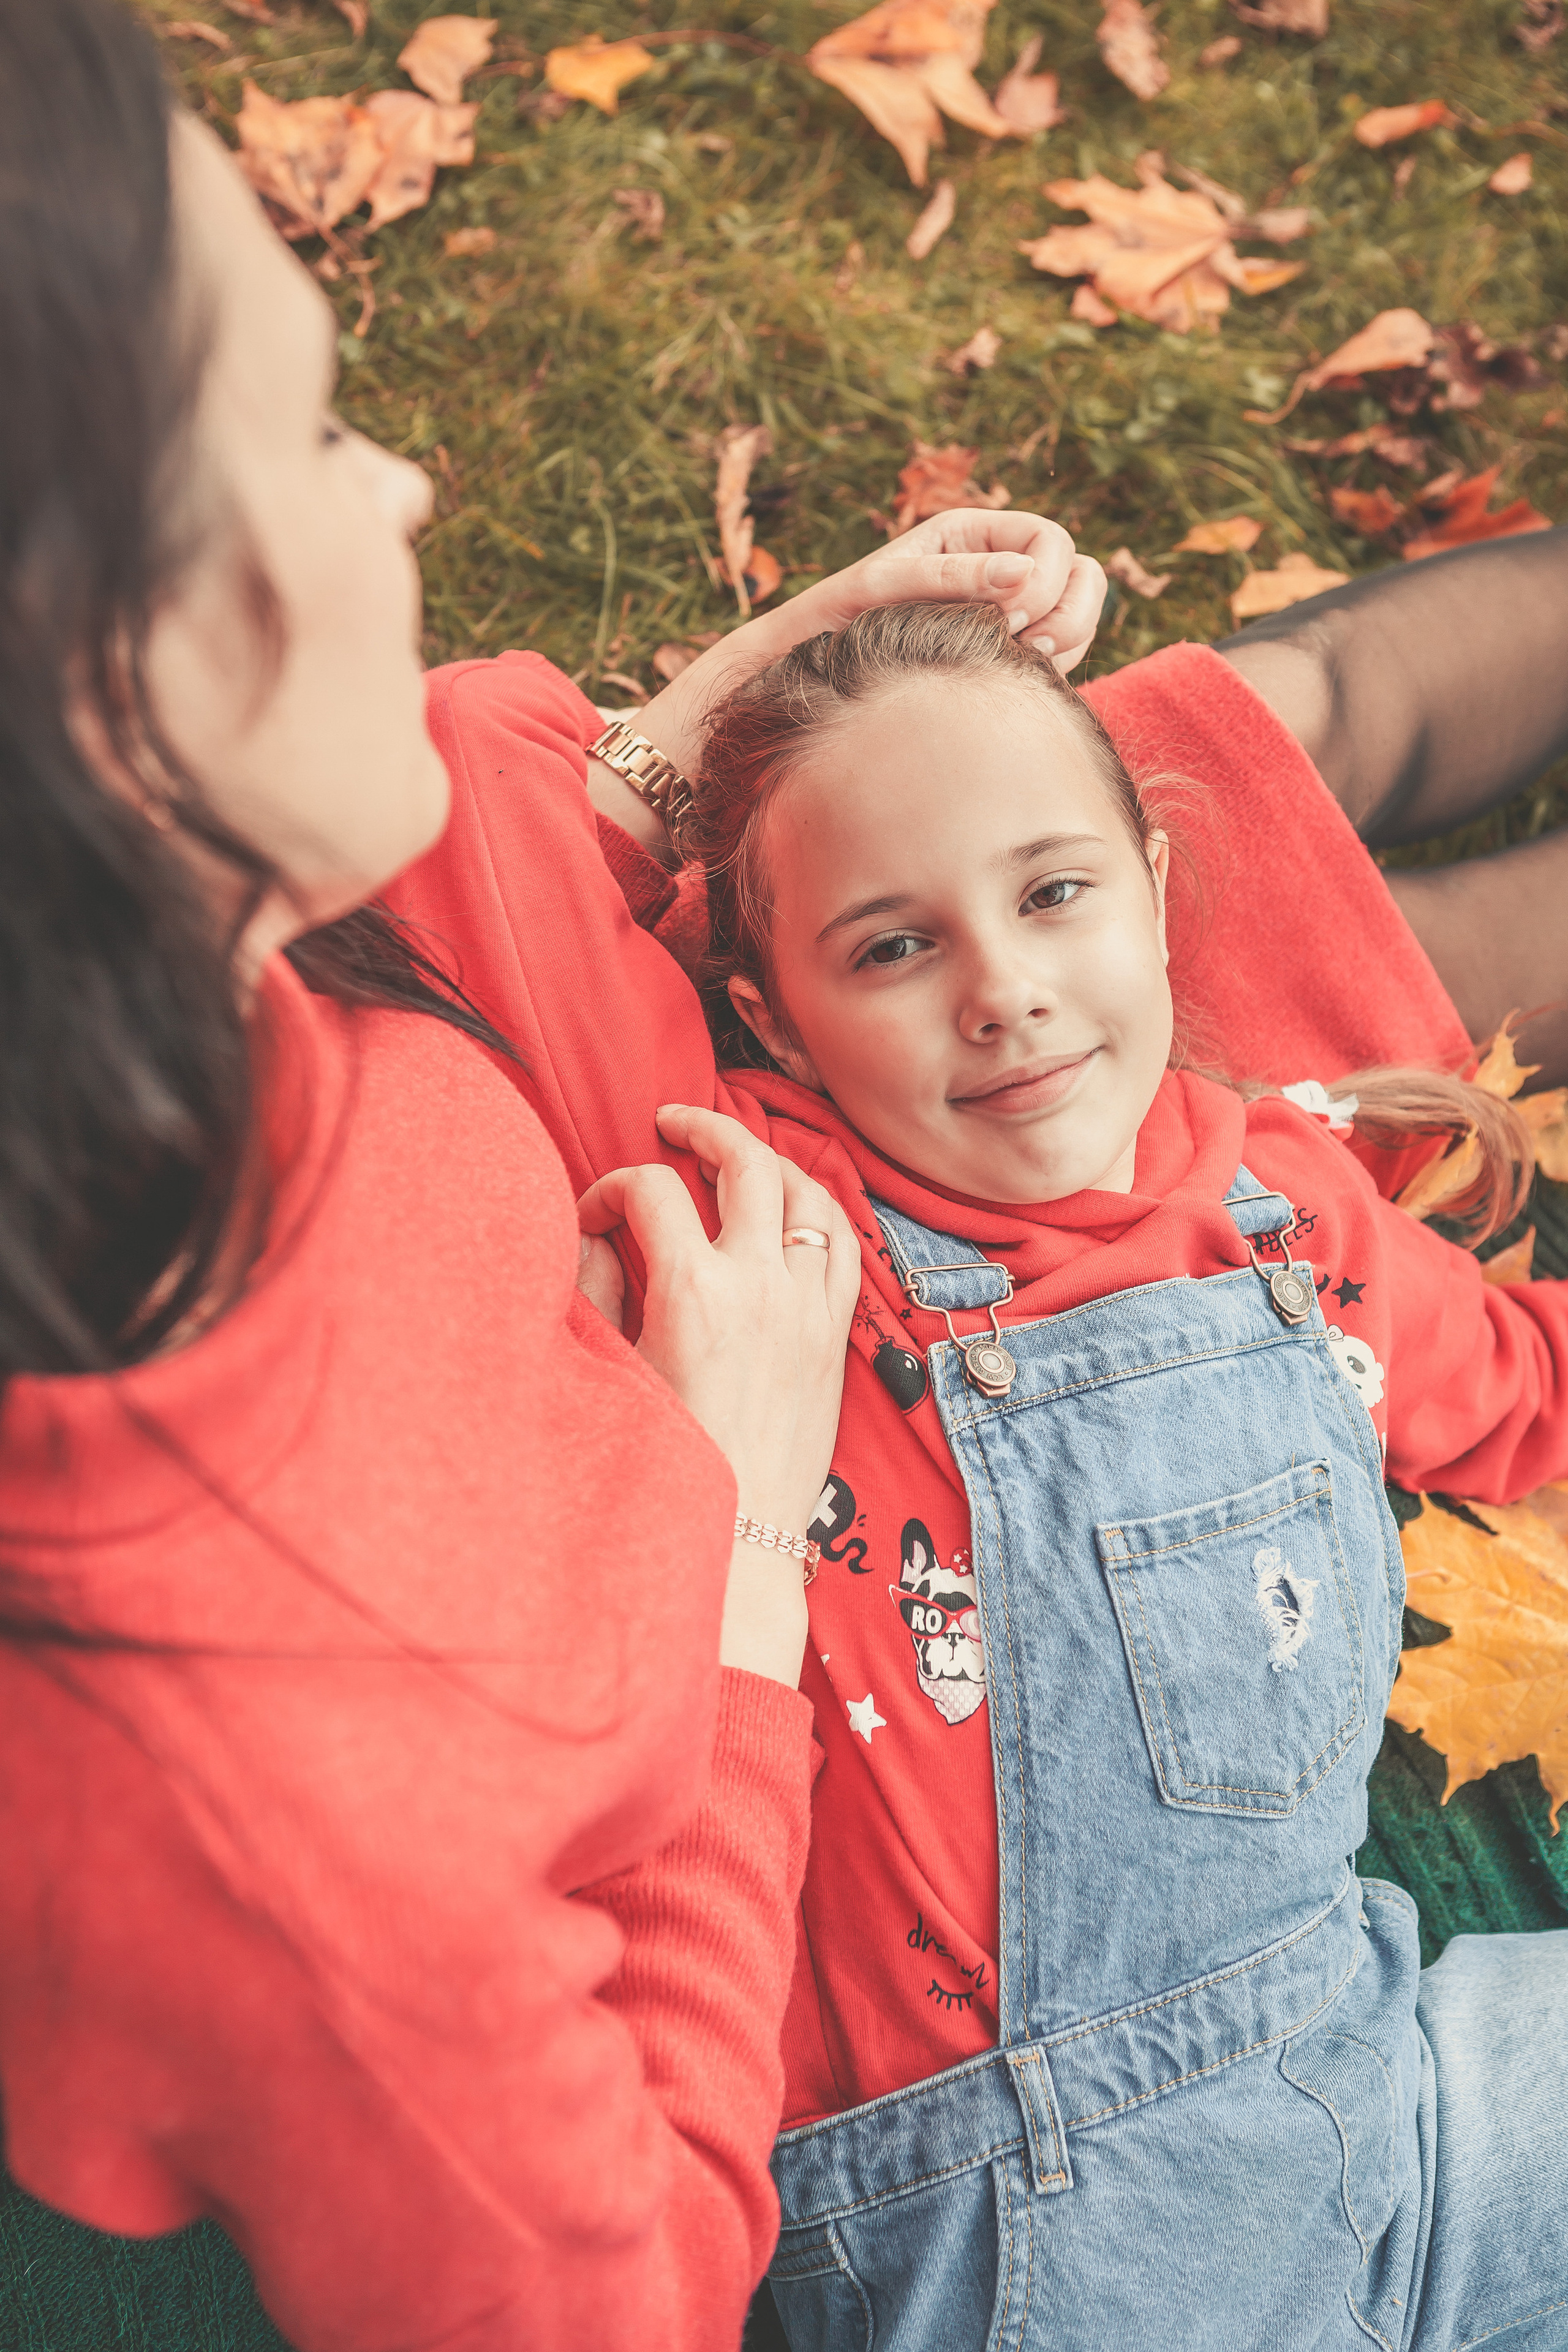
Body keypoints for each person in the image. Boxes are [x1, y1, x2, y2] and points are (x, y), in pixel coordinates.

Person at [0, 7, 1106, 2350]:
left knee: (1127, 781)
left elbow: (374, 825)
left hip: (611, 1196)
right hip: (768, 1717)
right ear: (102, 716)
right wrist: (730, 1540)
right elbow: (614, 2295)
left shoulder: (132, 998)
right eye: (297, 433)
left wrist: (709, 730)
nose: (399, 485)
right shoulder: (280, 1818)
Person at [399, 589, 1568, 2352]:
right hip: (1037, 2228)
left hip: (1389, 2066)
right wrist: (844, 616)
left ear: (1162, 901)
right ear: (775, 1025)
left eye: (1053, 894)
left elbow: (1522, 1386)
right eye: (892, 949)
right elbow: (469, 802)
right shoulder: (768, 1229)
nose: (1005, 992)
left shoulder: (1285, 1216)